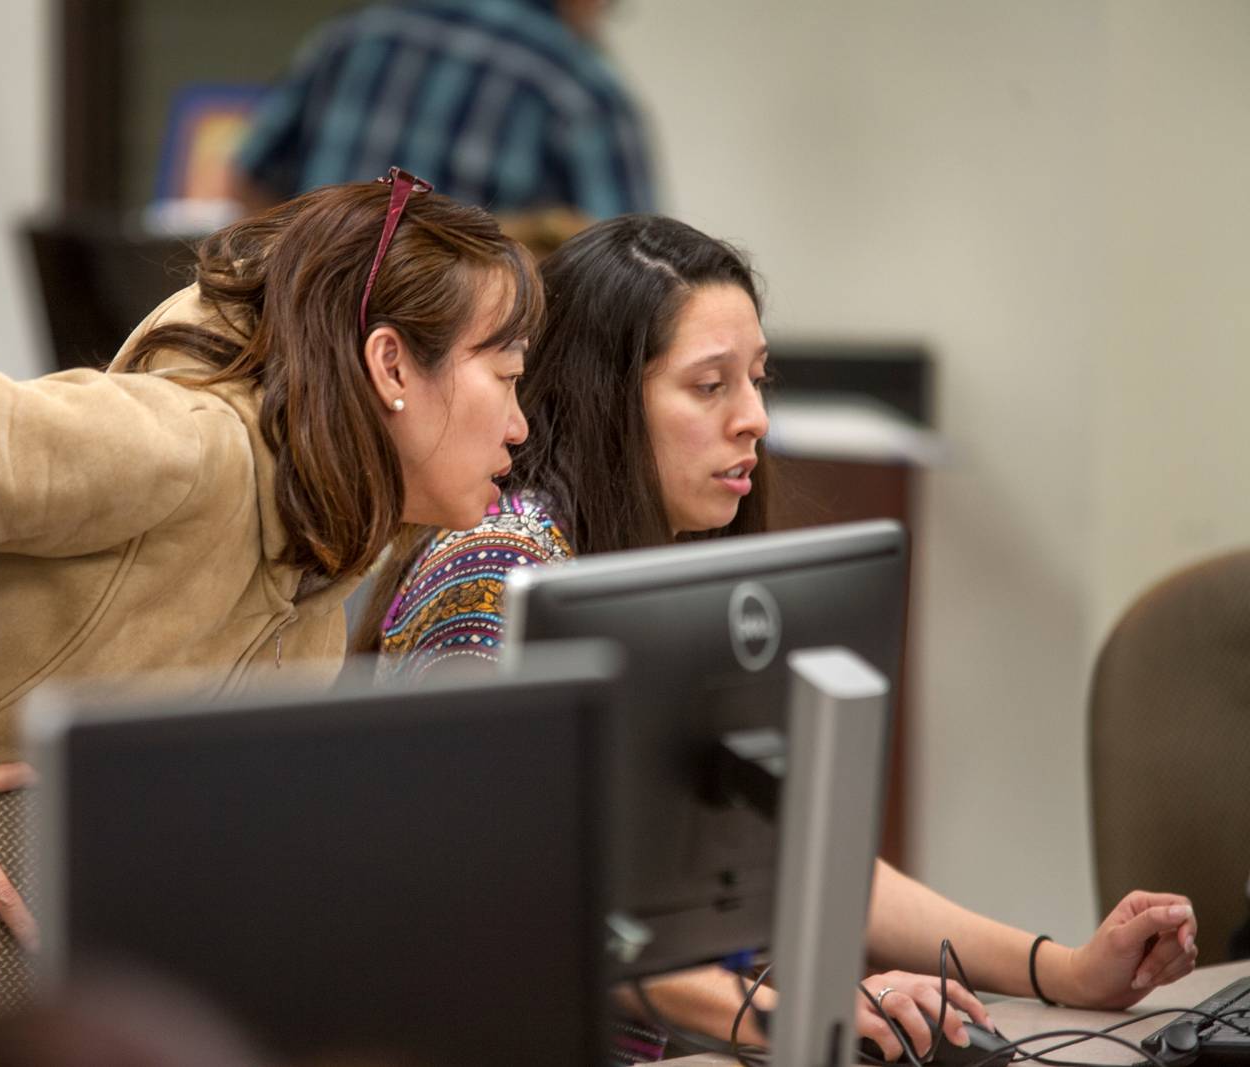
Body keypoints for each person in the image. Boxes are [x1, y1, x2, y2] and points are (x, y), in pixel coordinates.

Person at [0, 173, 539, 1000]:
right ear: (391, 367)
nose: (519, 424)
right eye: (503, 378)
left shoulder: (323, 555)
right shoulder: (188, 446)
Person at [359, 214, 1200, 1062]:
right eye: (710, 386)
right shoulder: (496, 569)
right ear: (605, 395)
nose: (754, 417)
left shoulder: (670, 570)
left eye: (758, 380)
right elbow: (509, 899)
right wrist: (777, 1003)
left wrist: (1064, 970)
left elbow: (799, 848)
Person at [235, 0, 655, 222]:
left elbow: (249, 182)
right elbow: (624, 281)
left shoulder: (353, 37)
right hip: (456, 365)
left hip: (305, 348)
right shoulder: (582, 90)